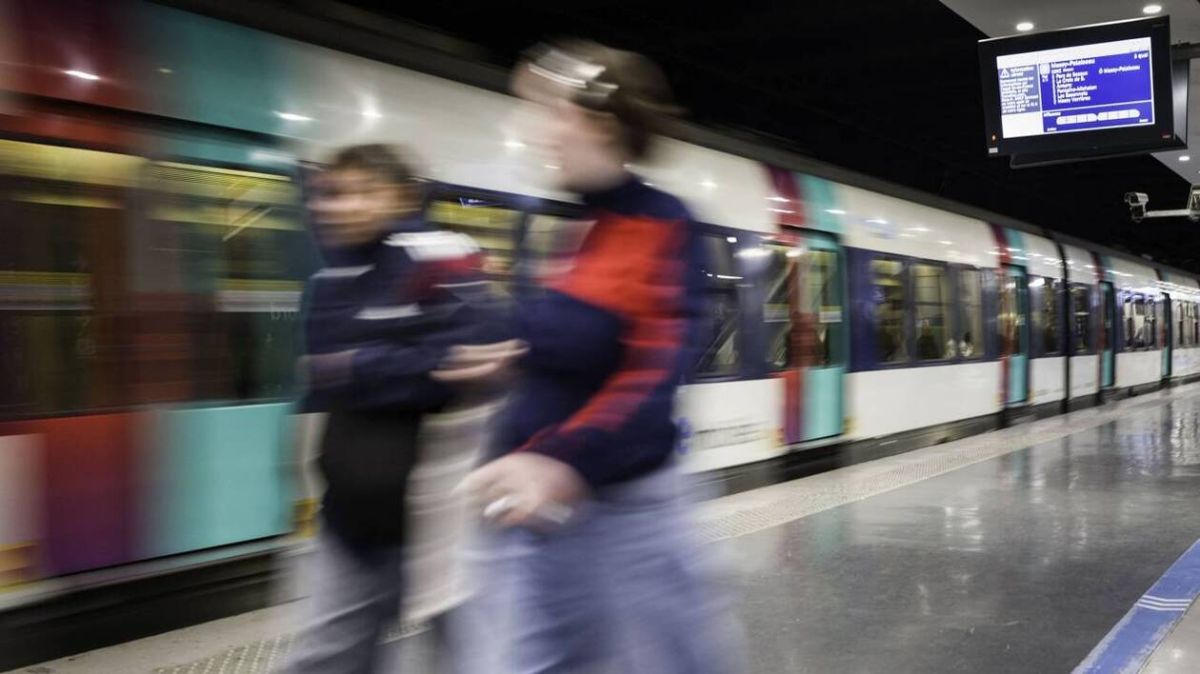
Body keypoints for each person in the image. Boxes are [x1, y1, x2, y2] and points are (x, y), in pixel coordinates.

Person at [460, 40, 740, 674]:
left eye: (551, 113)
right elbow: (577, 344)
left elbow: (652, 373)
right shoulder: (579, 228)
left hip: (623, 515)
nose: (538, 133)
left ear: (601, 124)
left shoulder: (663, 225)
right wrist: (512, 358)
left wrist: (558, 463)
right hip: (545, 511)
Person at [286, 144, 518, 674]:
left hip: (448, 510)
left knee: (473, 656)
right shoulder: (327, 283)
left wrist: (362, 366)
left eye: (367, 191)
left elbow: (468, 356)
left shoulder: (443, 254)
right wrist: (406, 361)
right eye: (337, 194)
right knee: (327, 655)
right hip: (349, 517)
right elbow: (323, 368)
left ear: (403, 196)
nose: (347, 207)